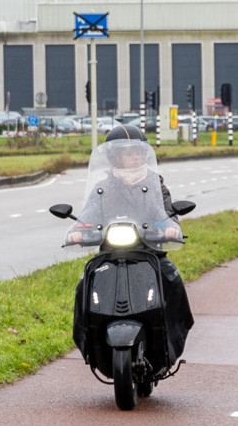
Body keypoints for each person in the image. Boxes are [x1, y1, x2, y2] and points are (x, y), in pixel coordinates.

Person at [70, 126, 194, 364]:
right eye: (128, 153)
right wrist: (79, 230)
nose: (134, 157)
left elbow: (166, 212)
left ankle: (172, 341)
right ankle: (90, 345)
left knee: (173, 280)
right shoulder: (102, 188)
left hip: (149, 253)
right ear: (115, 157)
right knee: (83, 286)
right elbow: (89, 215)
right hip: (110, 254)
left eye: (138, 152)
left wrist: (170, 226)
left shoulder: (156, 184)